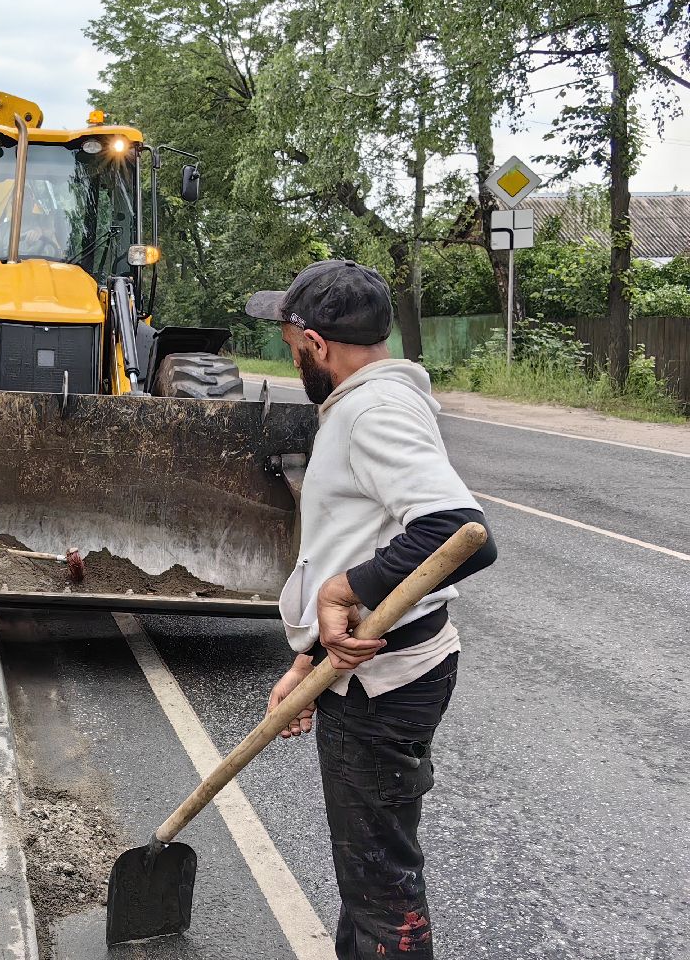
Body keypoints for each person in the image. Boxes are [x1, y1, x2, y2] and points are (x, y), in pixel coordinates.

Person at [245, 260, 497, 960]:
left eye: (291, 344)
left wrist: (339, 593)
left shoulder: (374, 412)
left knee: (384, 897)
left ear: (317, 343)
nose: (291, 357)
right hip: (369, 669)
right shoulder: (370, 403)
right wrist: (307, 660)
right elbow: (360, 540)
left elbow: (458, 533)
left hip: (386, 685)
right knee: (368, 883)